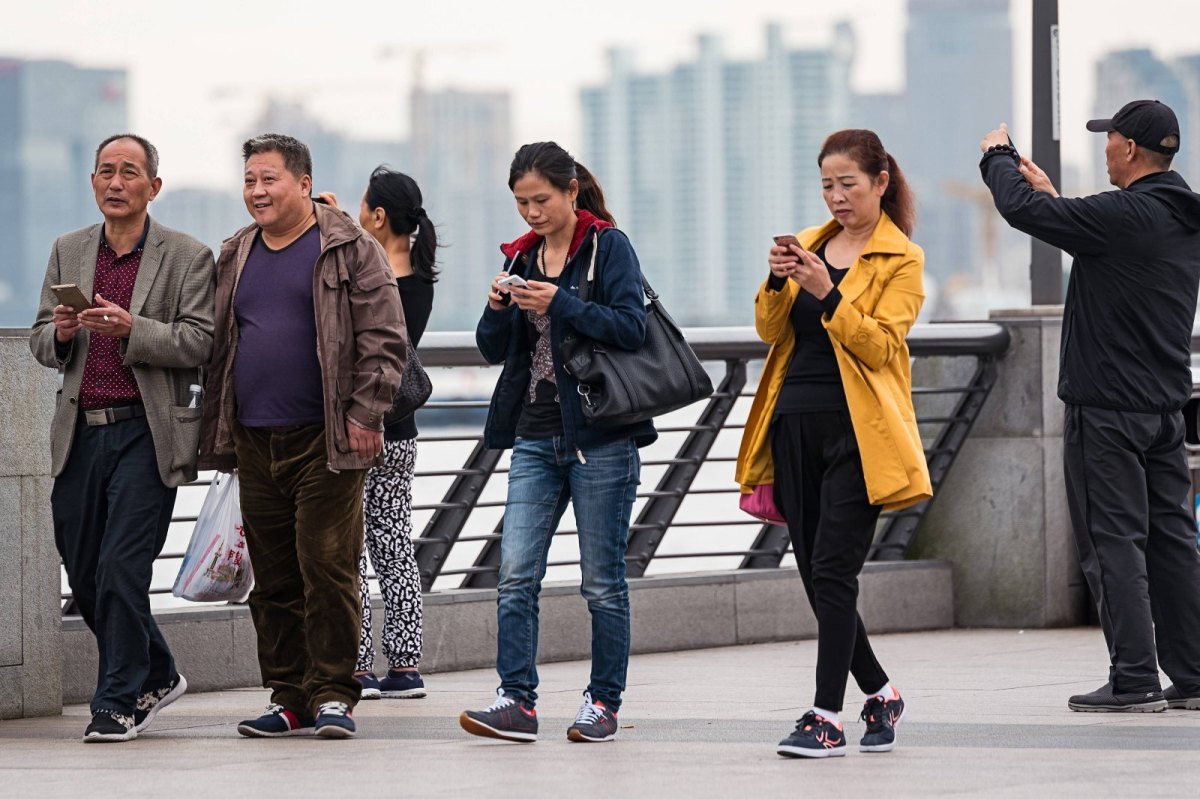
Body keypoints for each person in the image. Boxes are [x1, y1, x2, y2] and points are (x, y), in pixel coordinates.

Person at [980, 101, 1200, 713]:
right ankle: (1195, 674)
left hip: (1106, 409)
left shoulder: (1127, 214)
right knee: (1173, 543)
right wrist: (1055, 199)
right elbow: (1110, 250)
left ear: (1129, 150)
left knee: (1114, 543)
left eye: (1110, 139)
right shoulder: (1179, 215)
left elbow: (1020, 210)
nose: (1104, 148)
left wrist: (996, 155)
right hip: (1163, 408)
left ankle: (1133, 678)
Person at [198, 134, 407, 739]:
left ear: (304, 183)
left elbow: (384, 336)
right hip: (253, 438)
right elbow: (218, 341)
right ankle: (289, 696)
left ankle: (335, 694)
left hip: (327, 439)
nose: (256, 192)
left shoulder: (347, 246)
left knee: (328, 569)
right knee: (275, 577)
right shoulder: (237, 251)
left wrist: (366, 416)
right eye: (249, 181)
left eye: (269, 179)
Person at [735, 129, 931, 759]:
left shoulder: (901, 260)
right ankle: (880, 692)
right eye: (827, 185)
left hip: (860, 431)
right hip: (793, 421)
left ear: (881, 183)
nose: (837, 197)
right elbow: (770, 330)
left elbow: (879, 345)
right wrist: (777, 280)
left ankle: (825, 716)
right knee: (819, 579)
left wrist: (827, 290)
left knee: (833, 569)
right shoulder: (812, 244)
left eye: (849, 183)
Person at [458, 141, 655, 744]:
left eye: (541, 200)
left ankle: (603, 703)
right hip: (536, 436)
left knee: (601, 582)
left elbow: (632, 325)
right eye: (521, 202)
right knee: (515, 575)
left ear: (572, 192)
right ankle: (515, 700)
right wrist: (497, 308)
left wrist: (562, 302)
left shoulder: (608, 247)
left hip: (601, 438)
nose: (531, 213)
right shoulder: (520, 259)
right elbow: (494, 349)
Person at [29, 133, 215, 742]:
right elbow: (39, 343)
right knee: (85, 570)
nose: (115, 182)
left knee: (121, 568)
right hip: (80, 433)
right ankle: (159, 669)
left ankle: (117, 699)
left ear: (152, 187)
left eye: (129, 172)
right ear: (92, 182)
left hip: (147, 433)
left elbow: (199, 341)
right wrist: (59, 334)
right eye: (105, 171)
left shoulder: (186, 255)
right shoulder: (68, 249)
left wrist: (134, 328)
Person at [324, 168, 439, 701]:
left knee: (348, 550)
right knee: (393, 545)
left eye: (362, 207)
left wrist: (335, 224)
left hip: (360, 424)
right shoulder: (418, 278)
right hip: (401, 431)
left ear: (377, 216)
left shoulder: (373, 275)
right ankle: (407, 665)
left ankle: (361, 665)